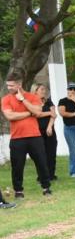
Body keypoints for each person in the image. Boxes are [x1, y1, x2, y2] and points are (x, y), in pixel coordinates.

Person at [2, 70, 52, 198]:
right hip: (17, 138)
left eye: (11, 85)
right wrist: (29, 113)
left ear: (19, 85)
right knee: (17, 166)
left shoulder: (32, 97)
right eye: (8, 85)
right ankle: (18, 191)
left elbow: (38, 111)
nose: (9, 88)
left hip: (35, 136)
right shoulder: (6, 99)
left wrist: (23, 100)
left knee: (41, 162)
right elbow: (10, 116)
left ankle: (46, 187)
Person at [32, 83, 58, 181]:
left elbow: (54, 115)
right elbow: (36, 114)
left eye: (44, 89)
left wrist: (49, 127)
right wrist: (48, 113)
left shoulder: (48, 102)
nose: (44, 91)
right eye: (42, 89)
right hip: (37, 132)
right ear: (35, 91)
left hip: (49, 131)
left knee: (51, 153)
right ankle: (42, 176)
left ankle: (51, 175)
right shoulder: (32, 102)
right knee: (40, 155)